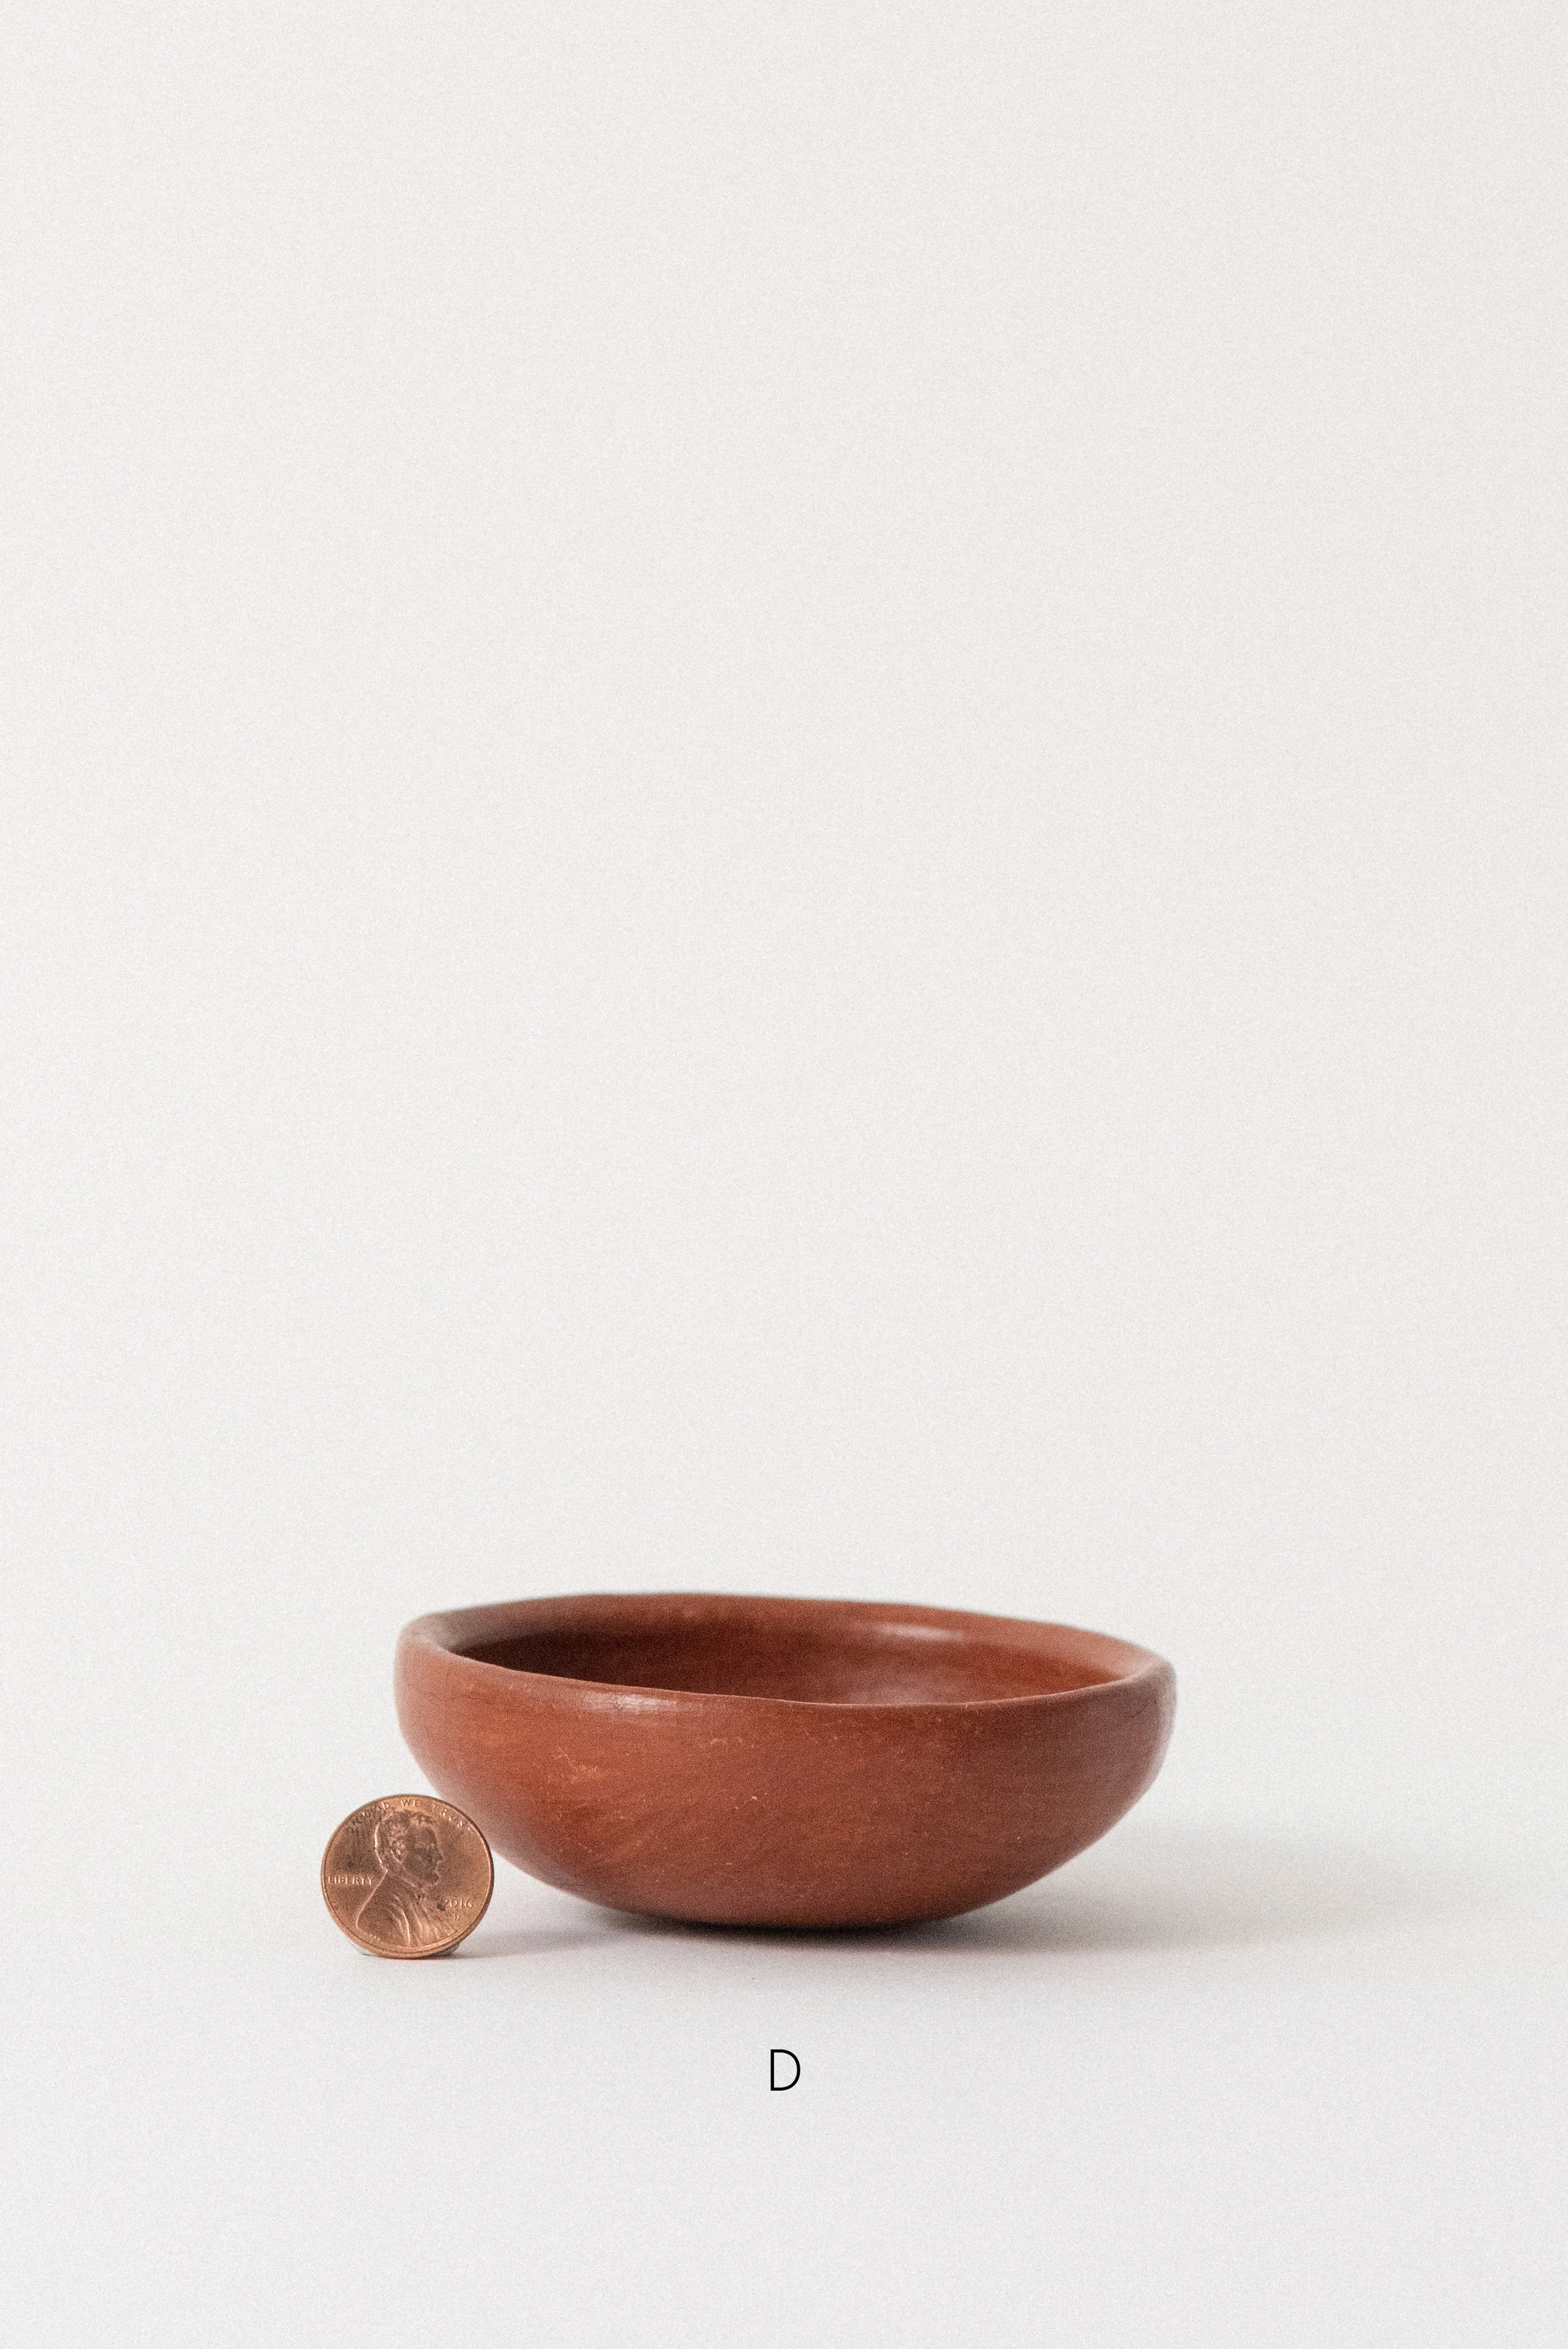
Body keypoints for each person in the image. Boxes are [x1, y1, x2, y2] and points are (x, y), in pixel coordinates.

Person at [356, 1808, 449, 1948]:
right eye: (428, 1851)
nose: (439, 1858)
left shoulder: (422, 1900)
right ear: (397, 1852)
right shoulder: (378, 1915)